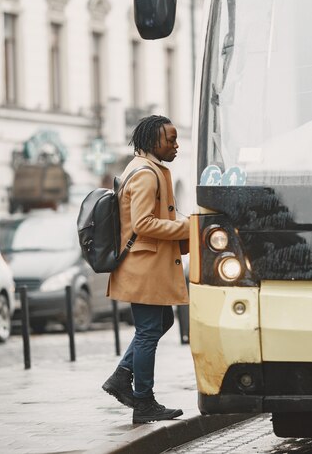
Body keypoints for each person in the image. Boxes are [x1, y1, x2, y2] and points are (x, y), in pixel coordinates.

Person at [102, 115, 190, 424]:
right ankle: (143, 401)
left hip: (148, 264)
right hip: (144, 265)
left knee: (160, 321)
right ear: (154, 141)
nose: (176, 145)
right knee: (148, 331)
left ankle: (122, 376)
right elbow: (142, 223)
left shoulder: (148, 169)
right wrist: (188, 228)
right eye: (171, 139)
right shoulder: (144, 174)